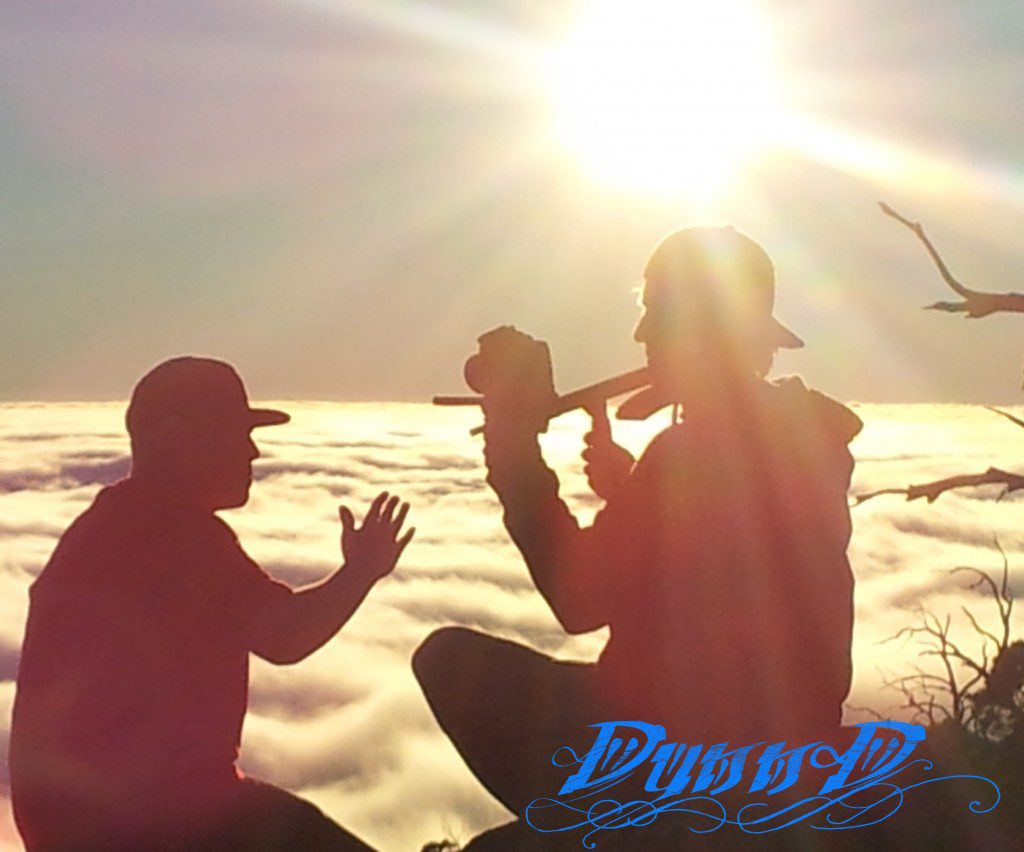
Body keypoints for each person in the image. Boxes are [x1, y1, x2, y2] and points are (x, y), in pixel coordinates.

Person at [413, 226, 863, 822]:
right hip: (780, 746)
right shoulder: (799, 437)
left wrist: (513, 449)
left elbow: (579, 602)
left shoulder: (690, 455)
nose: (640, 334)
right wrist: (630, 493)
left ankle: (593, 831)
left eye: (657, 313)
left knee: (446, 661)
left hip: (684, 758)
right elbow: (721, 563)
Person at [10, 356, 414, 851]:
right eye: (234, 432)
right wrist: (361, 571)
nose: (252, 451)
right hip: (156, 824)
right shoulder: (176, 539)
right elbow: (286, 636)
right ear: (175, 437)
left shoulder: (110, 527)